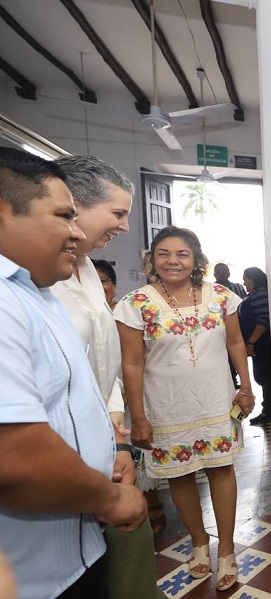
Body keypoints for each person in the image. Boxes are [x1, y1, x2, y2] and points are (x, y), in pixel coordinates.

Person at [0, 148, 146, 599]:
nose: (76, 231)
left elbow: (93, 369)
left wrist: (115, 440)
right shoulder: (20, 290)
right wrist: (111, 499)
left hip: (83, 525)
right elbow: (16, 453)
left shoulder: (52, 279)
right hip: (36, 562)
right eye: (64, 215)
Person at [51, 154, 165, 599]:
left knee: (121, 564)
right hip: (60, 450)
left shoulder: (87, 270)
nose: (123, 226)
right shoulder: (38, 277)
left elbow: (104, 364)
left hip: (103, 441)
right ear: (73, 204)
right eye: (117, 213)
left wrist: (118, 438)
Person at [115, 226, 253, 592]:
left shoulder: (221, 296)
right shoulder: (134, 304)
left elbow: (236, 343)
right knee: (179, 475)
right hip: (166, 407)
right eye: (164, 254)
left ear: (196, 260)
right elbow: (132, 364)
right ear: (152, 259)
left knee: (222, 469)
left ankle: (227, 549)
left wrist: (246, 387)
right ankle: (199, 542)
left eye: (182, 254)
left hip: (215, 401)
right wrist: (138, 416)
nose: (172, 261)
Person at [239, 267, 271, 424]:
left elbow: (263, 321)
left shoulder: (261, 294)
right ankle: (268, 409)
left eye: (245, 279)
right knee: (262, 377)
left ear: (253, 279)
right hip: (258, 345)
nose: (244, 283)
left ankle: (269, 410)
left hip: (262, 345)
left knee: (265, 377)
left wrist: (251, 342)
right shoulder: (254, 294)